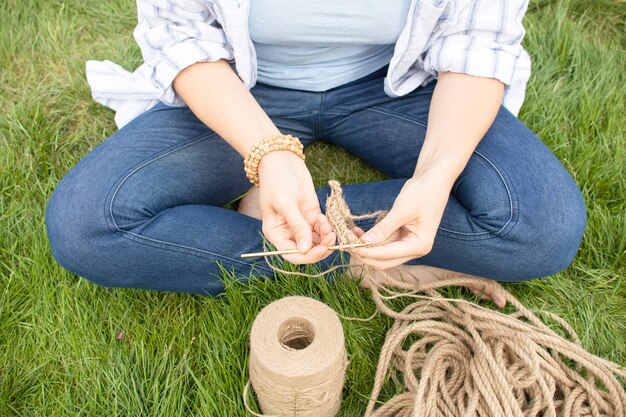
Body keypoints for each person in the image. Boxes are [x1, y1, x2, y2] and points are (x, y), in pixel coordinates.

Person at [45, 0, 586, 307]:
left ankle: (296, 233)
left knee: (541, 225)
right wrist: (270, 154)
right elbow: (181, 38)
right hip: (241, 85)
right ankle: (371, 263)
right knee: (87, 225)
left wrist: (435, 178)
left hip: (395, 85)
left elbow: (479, 43)